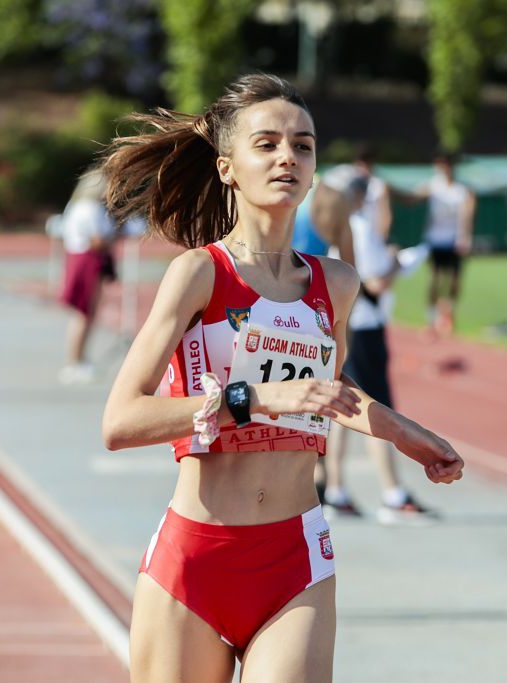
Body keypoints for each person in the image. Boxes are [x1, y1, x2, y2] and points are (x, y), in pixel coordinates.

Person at [99, 74, 464, 682]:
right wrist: (255, 398)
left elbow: (327, 390)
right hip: (197, 558)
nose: (287, 157)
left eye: (303, 145)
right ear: (227, 168)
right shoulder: (199, 275)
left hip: (296, 555)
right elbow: (120, 421)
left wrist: (401, 432)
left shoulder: (336, 285)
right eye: (266, 144)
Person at [321, 195, 436, 523]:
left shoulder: (342, 229)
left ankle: (336, 491)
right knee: (376, 406)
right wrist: (400, 262)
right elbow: (372, 284)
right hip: (365, 328)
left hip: (348, 325)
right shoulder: (361, 230)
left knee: (341, 407)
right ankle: (392, 493)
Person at [58, 169, 117, 384]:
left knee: (86, 314)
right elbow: (97, 240)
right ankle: (75, 361)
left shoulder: (79, 206)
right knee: (83, 313)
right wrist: (117, 234)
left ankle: (79, 358)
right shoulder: (89, 208)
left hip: (85, 259)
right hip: (87, 260)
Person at [420, 151, 475, 337]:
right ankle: (431, 319)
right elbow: (412, 197)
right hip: (436, 240)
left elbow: (468, 213)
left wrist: (465, 237)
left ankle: (448, 314)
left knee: (453, 281)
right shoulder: (433, 185)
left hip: (454, 240)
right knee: (434, 280)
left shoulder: (462, 190)